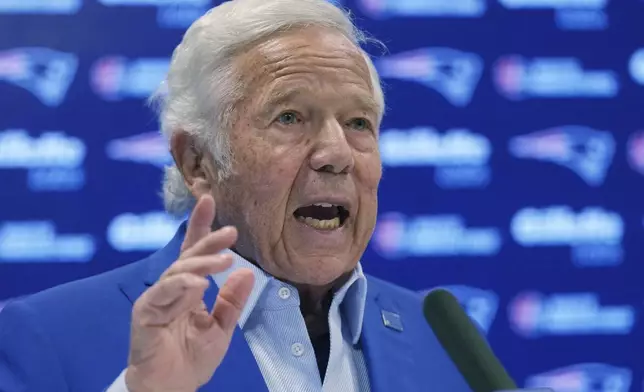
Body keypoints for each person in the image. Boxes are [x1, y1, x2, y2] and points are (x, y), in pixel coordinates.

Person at [0, 0, 482, 391]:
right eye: (290, 117)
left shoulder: (443, 338)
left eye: (358, 123)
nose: (337, 154)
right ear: (197, 162)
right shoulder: (49, 338)